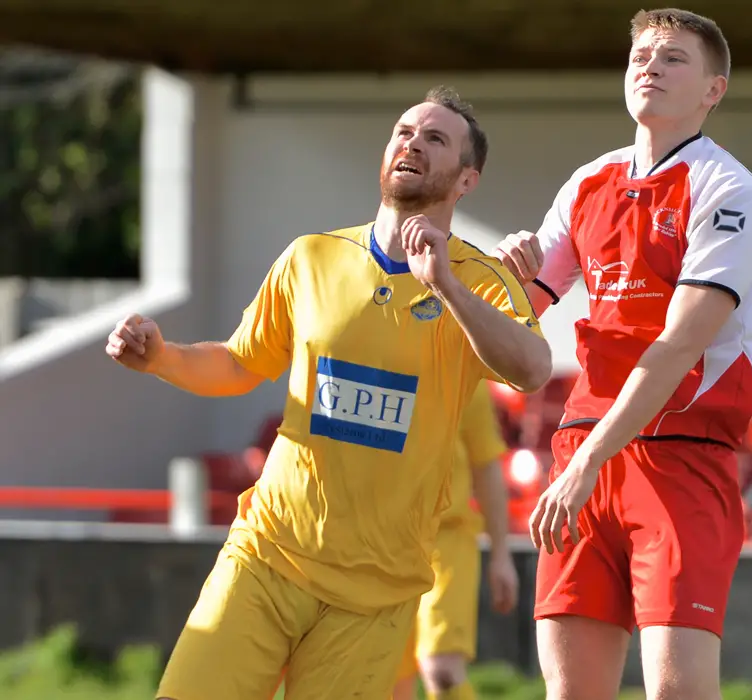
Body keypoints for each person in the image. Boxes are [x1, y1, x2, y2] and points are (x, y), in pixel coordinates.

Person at [106, 86, 551, 700]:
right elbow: (238, 363)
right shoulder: (310, 257)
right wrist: (161, 357)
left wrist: (446, 285)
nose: (412, 144)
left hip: (376, 594)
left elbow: (533, 369)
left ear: (466, 180)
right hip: (268, 555)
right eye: (404, 132)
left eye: (435, 139)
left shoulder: (480, 280)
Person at [493, 8, 752, 700]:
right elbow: (517, 315)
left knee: (678, 693)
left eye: (674, 58)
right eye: (640, 57)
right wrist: (489, 273)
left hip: (680, 454)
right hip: (583, 452)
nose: (650, 67)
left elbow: (679, 344)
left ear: (714, 89)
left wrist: (587, 463)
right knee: (572, 692)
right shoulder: (588, 181)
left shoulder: (733, 191)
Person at [393, 380, 519, 700]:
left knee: (442, 671)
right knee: (389, 678)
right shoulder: (380, 366)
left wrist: (501, 554)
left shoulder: (466, 381)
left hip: (447, 542)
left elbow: (487, 465)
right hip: (385, 542)